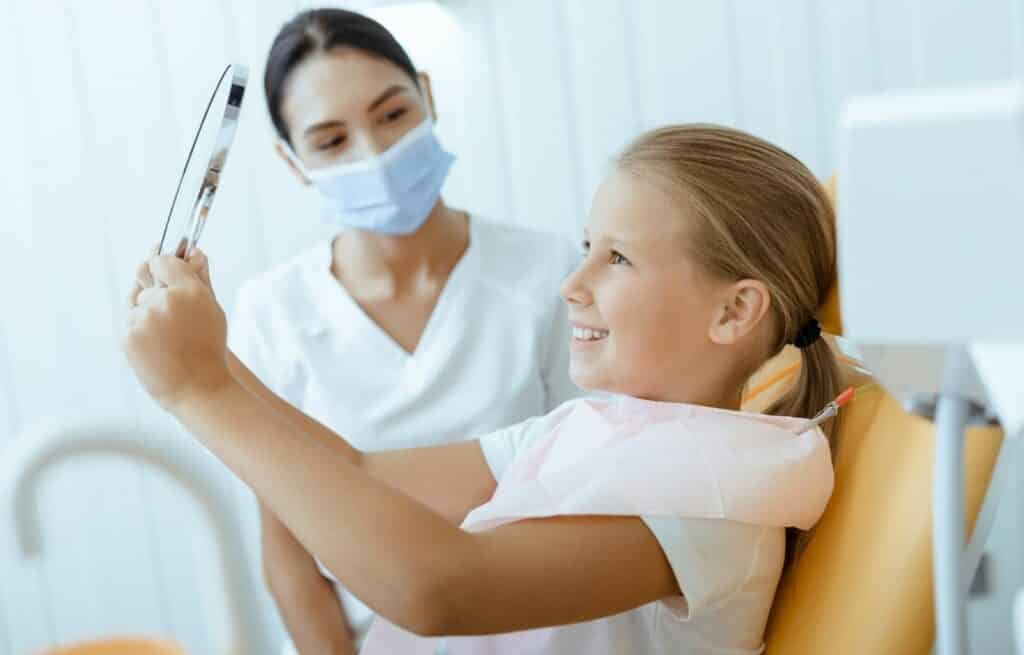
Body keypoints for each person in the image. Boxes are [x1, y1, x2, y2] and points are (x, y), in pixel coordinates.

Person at [123, 124, 843, 654]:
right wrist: (211, 359)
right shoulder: (595, 430)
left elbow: (440, 590)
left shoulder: (712, 494)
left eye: (618, 258)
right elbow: (359, 470)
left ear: (734, 311)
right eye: (586, 247)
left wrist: (199, 390)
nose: (572, 283)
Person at [230, 8, 581, 652]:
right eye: (331, 141)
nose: (375, 154)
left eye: (393, 114)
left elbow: (595, 481)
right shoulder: (270, 314)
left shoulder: (550, 272)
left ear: (428, 97)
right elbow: (288, 552)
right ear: (293, 162)